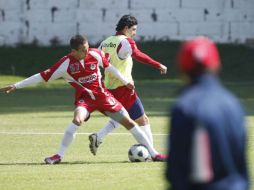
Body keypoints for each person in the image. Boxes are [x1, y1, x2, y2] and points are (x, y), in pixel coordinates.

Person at [0, 34, 166, 164]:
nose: (87, 52)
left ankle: (154, 154)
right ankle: (59, 155)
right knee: (77, 119)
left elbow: (110, 68)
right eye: (83, 50)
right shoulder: (65, 64)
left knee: (129, 123)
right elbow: (42, 76)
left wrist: (125, 82)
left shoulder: (95, 54)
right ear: (73, 51)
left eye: (87, 48)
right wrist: (16, 85)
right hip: (85, 99)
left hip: (103, 96)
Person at [166, 37, 249, 190]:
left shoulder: (184, 107)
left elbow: (177, 173)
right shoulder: (234, 104)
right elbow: (241, 166)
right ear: (216, 65)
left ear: (183, 68)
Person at [88, 15, 168, 156]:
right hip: (124, 88)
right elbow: (138, 55)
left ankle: (98, 137)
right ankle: (151, 153)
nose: (135, 33)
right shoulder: (126, 42)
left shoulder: (106, 42)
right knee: (143, 120)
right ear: (126, 28)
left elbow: (96, 61)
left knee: (120, 118)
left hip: (109, 88)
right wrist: (158, 64)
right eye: (133, 29)